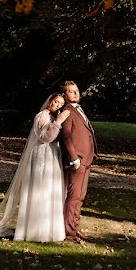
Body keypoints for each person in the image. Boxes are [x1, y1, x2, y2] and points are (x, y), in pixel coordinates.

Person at [0, 93, 70, 242]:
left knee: (50, 189)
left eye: (60, 104)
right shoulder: (42, 116)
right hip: (42, 156)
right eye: (56, 102)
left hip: (52, 156)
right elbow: (45, 138)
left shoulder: (53, 116)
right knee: (39, 188)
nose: (57, 105)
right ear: (50, 101)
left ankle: (50, 229)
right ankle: (34, 230)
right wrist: (58, 122)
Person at [59, 80, 96, 242]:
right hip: (78, 161)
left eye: (76, 90)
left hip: (86, 159)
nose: (75, 93)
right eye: (71, 91)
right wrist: (74, 159)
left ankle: (75, 228)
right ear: (64, 95)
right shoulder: (67, 112)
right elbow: (66, 137)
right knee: (74, 196)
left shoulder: (78, 110)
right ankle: (69, 231)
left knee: (80, 196)